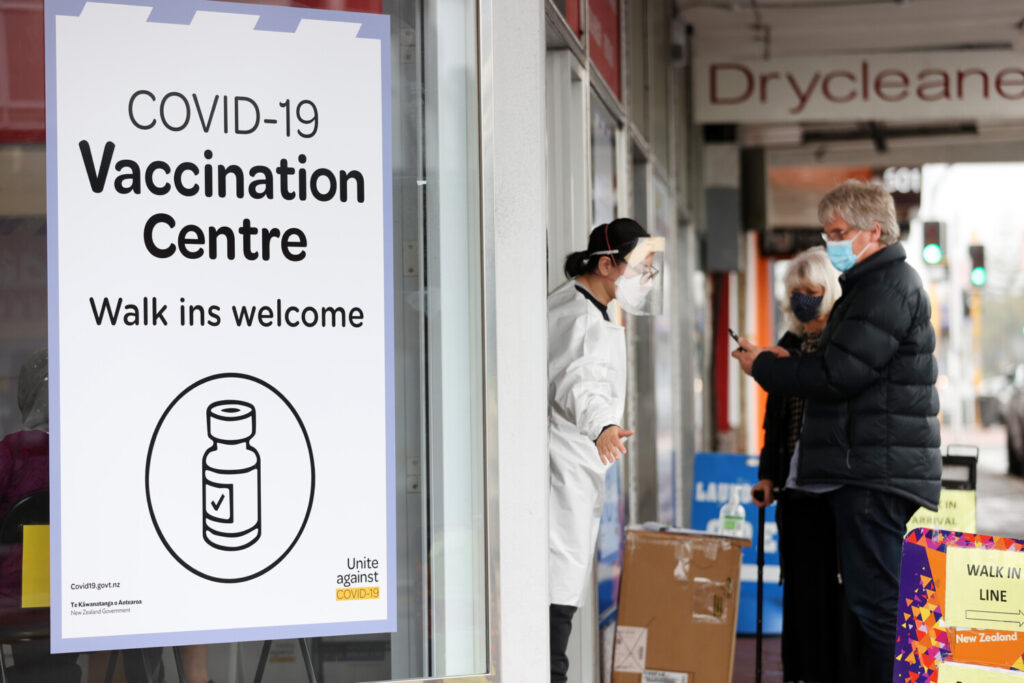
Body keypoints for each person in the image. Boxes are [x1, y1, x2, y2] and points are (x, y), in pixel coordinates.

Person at [733, 179, 940, 682]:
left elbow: (838, 376)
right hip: (870, 467)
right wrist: (789, 360)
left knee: (878, 608)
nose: (832, 243)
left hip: (874, 473)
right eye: (827, 232)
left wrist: (765, 368)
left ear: (875, 230)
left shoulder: (886, 286)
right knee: (873, 604)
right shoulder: (871, 286)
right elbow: (842, 364)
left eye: (839, 232)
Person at [548, 219, 663, 683]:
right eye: (639, 268)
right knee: (551, 627)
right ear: (606, 264)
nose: (644, 280)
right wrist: (604, 427)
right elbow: (578, 382)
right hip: (560, 481)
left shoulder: (595, 309)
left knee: (558, 615)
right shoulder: (575, 315)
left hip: (574, 477)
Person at [750, 246, 853, 683]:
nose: (802, 300)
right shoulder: (788, 345)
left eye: (810, 291)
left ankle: (833, 670)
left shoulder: (840, 347)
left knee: (834, 593)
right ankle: (800, 673)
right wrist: (767, 475)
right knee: (798, 589)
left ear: (829, 291)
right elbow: (775, 422)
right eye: (795, 292)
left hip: (835, 489)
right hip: (794, 490)